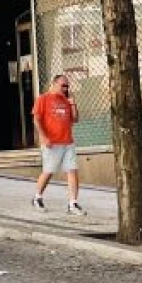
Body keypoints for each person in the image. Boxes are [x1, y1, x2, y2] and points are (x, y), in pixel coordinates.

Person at [32, 73, 83, 214]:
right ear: (54, 84)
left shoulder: (66, 101)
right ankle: (37, 197)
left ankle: (73, 203)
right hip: (52, 142)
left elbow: (75, 119)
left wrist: (73, 104)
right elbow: (36, 120)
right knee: (49, 171)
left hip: (68, 141)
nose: (66, 88)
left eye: (67, 86)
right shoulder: (43, 99)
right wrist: (44, 137)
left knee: (72, 171)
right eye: (63, 85)